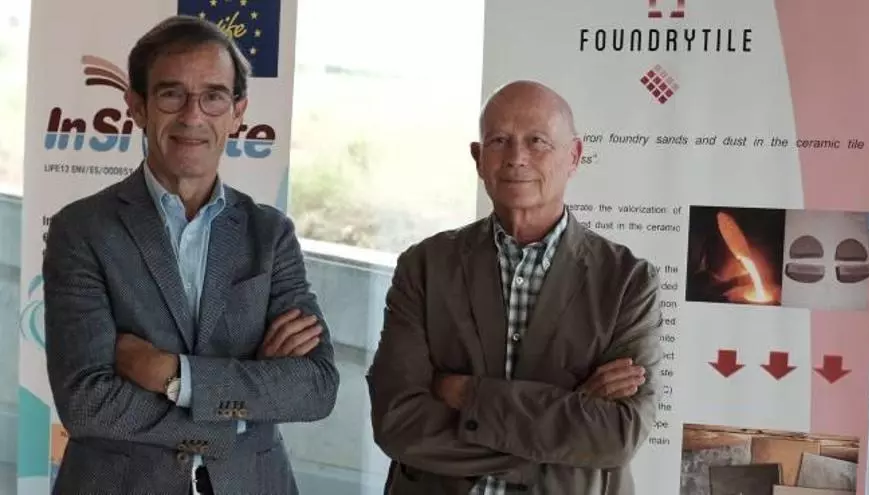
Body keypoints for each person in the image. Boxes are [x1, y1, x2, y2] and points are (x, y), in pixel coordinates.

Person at [43, 15, 339, 495]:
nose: (193, 116)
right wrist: (242, 406)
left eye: (213, 96)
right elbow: (86, 402)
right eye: (171, 94)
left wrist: (174, 376)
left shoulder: (270, 234)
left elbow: (316, 386)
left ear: (237, 111)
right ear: (137, 106)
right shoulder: (81, 231)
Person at [366, 80, 662, 494]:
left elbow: (616, 434)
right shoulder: (425, 266)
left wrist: (466, 393)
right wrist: (564, 423)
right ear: (478, 157)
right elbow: (398, 423)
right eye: (499, 141)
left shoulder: (628, 281)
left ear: (574, 156)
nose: (516, 158)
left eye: (537, 141)